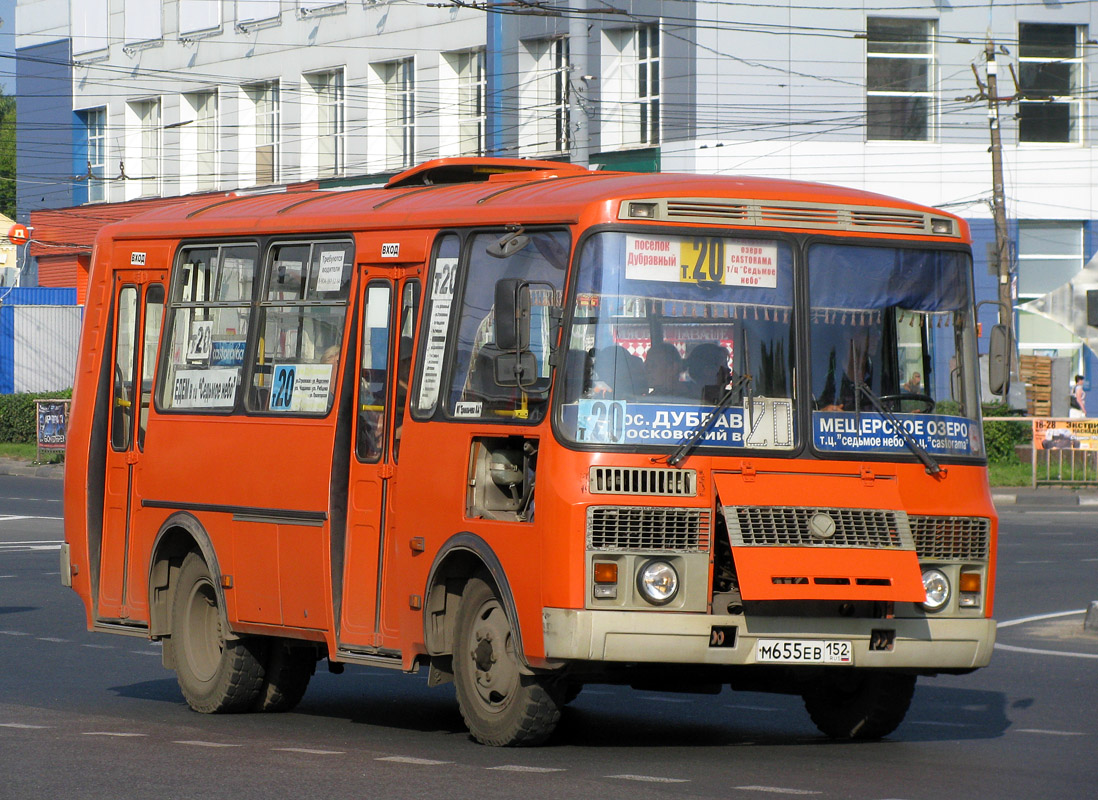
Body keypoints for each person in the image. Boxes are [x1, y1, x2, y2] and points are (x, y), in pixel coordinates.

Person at [817, 328, 876, 411]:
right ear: (847, 337)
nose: (875, 337)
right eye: (865, 332)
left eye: (877, 332)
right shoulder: (826, 382)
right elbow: (810, 414)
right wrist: (824, 413)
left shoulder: (882, 380)